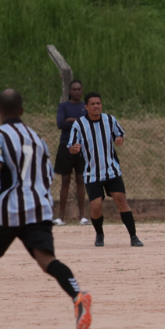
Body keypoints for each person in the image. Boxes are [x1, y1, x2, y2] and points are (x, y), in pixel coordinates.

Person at [0, 89, 93, 329]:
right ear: (21, 111)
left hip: (9, 208)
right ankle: (77, 294)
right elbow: (46, 175)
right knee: (46, 260)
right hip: (39, 206)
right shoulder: (37, 138)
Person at [68, 92, 143, 248]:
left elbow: (120, 135)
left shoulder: (110, 120)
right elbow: (71, 146)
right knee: (96, 207)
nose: (96, 106)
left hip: (111, 170)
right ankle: (99, 234)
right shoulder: (79, 124)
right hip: (92, 173)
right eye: (93, 104)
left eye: (98, 103)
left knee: (121, 200)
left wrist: (119, 140)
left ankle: (133, 236)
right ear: (86, 107)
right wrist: (74, 149)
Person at [54, 79, 89, 227]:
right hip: (65, 146)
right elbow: (60, 123)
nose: (76, 92)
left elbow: (88, 123)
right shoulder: (63, 106)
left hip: (81, 147)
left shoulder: (85, 107)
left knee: (81, 180)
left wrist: (71, 120)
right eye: (74, 89)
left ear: (82, 91)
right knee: (65, 181)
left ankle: (82, 216)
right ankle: (61, 217)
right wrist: (78, 121)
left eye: (79, 89)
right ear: (69, 91)